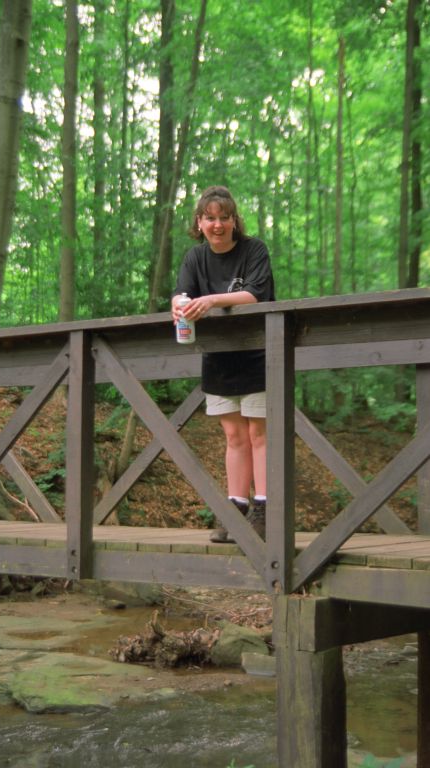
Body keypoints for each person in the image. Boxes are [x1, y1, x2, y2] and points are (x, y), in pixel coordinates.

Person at [172, 185, 275, 542]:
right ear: (199, 222)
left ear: (234, 220)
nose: (217, 225)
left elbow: (256, 294)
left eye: (224, 218)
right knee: (233, 436)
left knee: (258, 433)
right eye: (210, 218)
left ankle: (264, 511)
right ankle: (236, 511)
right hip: (218, 357)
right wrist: (178, 304)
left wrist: (211, 300)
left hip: (258, 351)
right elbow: (181, 293)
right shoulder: (194, 258)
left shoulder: (254, 250)